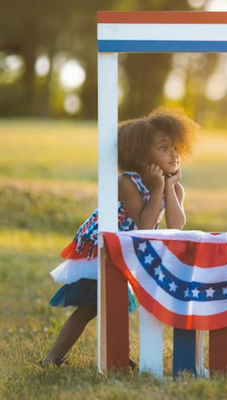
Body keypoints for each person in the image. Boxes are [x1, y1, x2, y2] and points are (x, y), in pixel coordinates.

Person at [41, 107, 198, 366]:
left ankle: (116, 356)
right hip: (103, 245)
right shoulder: (127, 182)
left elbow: (177, 224)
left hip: (128, 248)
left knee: (112, 304)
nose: (172, 153)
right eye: (162, 148)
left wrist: (168, 187)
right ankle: (52, 358)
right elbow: (145, 223)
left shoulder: (174, 186)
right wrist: (158, 187)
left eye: (174, 147)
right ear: (140, 154)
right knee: (92, 306)